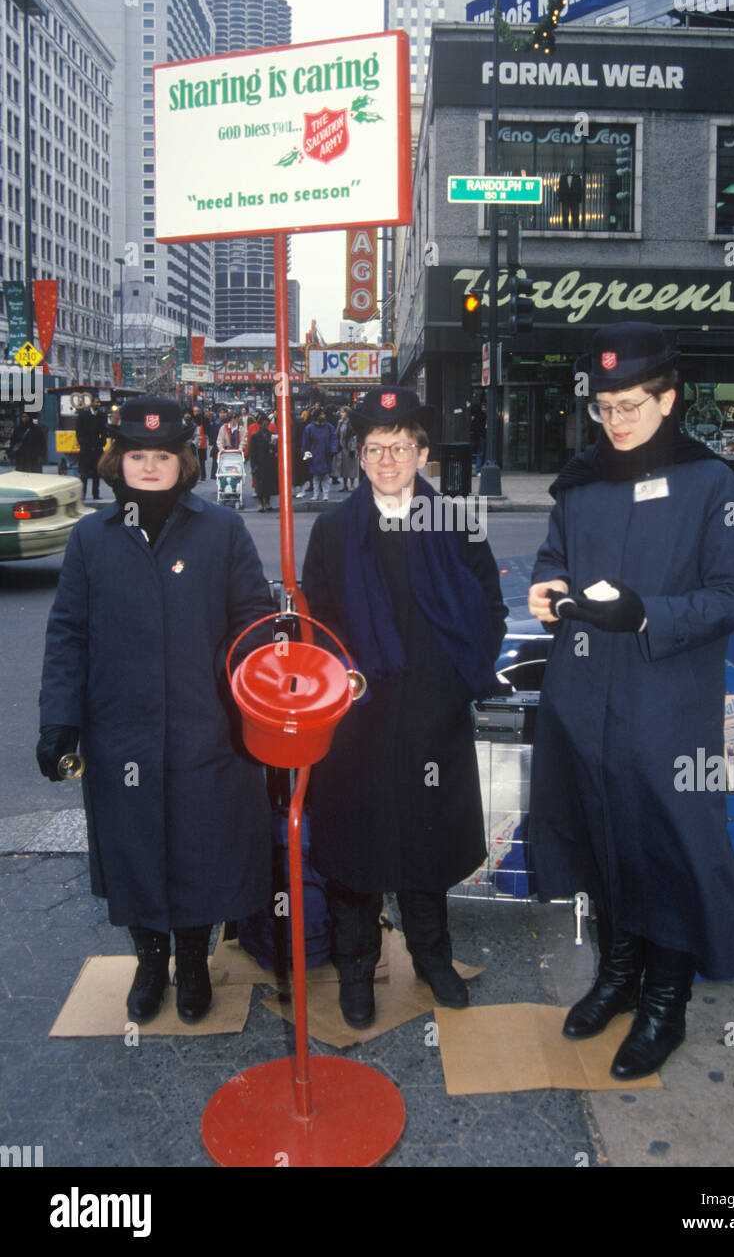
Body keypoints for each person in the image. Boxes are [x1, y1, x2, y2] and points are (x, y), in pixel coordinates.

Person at [528, 323, 734, 1081]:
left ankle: (666, 1000)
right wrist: (547, 590)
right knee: (598, 840)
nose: (616, 421)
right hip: (581, 699)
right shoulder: (580, 479)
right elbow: (553, 561)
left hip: (667, 706)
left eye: (631, 404)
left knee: (670, 851)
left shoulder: (707, 481)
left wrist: (647, 614)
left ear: (667, 398)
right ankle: (617, 974)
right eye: (604, 407)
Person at [36, 396, 273, 1025]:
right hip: (123, 733)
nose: (147, 466)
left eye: (161, 455)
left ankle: (193, 962)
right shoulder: (91, 537)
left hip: (208, 728)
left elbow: (254, 622)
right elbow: (68, 634)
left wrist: (249, 703)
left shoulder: (222, 531)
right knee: (134, 850)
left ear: (183, 463)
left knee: (201, 848)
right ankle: (149, 961)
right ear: (117, 462)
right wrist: (59, 721)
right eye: (136, 455)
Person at [301, 387, 507, 1028]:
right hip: (357, 723)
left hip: (431, 717)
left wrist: (451, 683)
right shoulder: (334, 530)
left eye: (400, 446)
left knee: (426, 848)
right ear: (358, 457)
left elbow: (489, 610)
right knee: (355, 853)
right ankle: (356, 972)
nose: (387, 460)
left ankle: (433, 957)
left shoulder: (457, 522)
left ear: (422, 451)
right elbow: (317, 626)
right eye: (373, 449)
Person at [301, 408, 338, 501]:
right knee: (317, 476)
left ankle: (324, 495)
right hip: (316, 454)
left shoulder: (327, 427)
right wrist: (306, 453)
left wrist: (333, 449)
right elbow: (305, 443)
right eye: (321, 414)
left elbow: (334, 439)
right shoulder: (311, 428)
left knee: (323, 476)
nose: (324, 416)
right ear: (317, 416)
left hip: (324, 453)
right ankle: (317, 495)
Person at [75, 404, 107, 499]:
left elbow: (104, 431)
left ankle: (95, 494)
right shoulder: (83, 415)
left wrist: (102, 442)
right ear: (92, 403)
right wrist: (82, 442)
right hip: (86, 446)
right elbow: (78, 430)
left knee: (96, 472)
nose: (98, 404)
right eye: (96, 402)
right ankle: (83, 494)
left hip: (97, 446)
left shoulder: (101, 415)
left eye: (99, 402)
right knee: (84, 473)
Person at [249, 411, 278, 511]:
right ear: (260, 424)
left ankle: (268, 502)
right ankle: (260, 503)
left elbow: (277, 449)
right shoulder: (255, 436)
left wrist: (274, 446)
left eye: (267, 423)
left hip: (270, 462)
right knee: (260, 485)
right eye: (263, 423)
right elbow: (252, 452)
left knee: (269, 484)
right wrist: (253, 465)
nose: (266, 424)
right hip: (259, 463)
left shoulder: (273, 435)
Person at [333, 405, 358, 492]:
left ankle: (352, 485)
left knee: (351, 466)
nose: (341, 414)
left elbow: (354, 436)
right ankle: (344, 485)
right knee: (343, 466)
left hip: (350, 446)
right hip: (342, 446)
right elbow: (336, 434)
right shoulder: (340, 422)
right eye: (341, 412)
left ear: (347, 413)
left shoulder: (352, 423)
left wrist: (353, 449)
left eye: (343, 412)